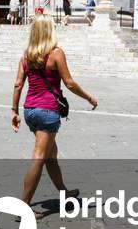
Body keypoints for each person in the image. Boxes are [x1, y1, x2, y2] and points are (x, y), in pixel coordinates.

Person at [11, 16, 98, 217]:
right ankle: (23, 207)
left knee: (51, 154)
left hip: (30, 110)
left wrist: (14, 111)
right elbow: (69, 83)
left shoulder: (26, 56)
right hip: (48, 111)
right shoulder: (56, 53)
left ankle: (64, 193)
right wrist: (88, 97)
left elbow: (18, 84)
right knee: (40, 156)